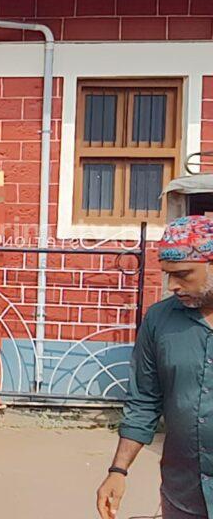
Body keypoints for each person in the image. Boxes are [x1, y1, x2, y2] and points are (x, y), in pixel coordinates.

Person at [97, 215, 213, 519]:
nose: (172, 285)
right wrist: (118, 470)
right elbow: (144, 401)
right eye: (167, 275)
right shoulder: (159, 320)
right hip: (184, 494)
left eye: (183, 274)